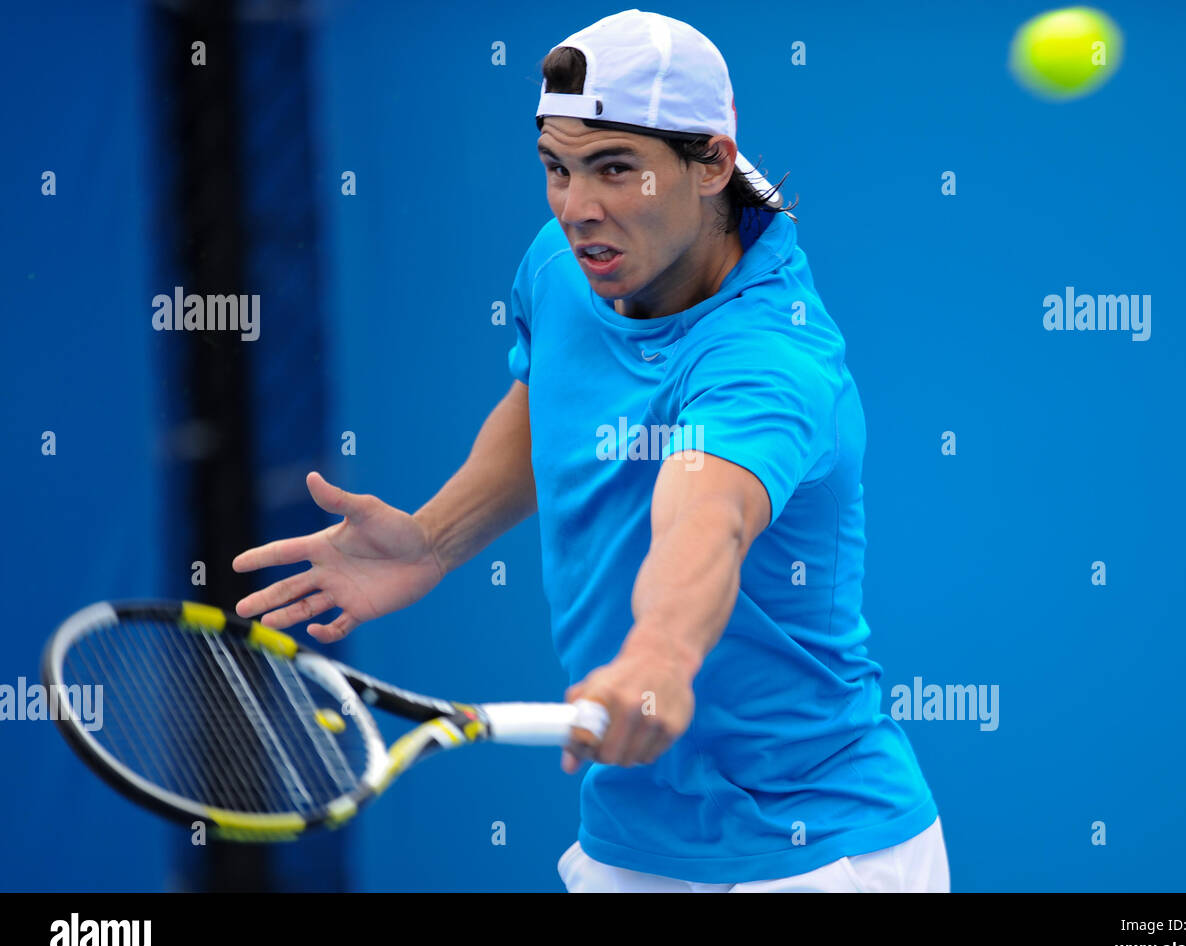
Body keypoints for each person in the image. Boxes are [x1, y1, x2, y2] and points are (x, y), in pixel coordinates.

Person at [233, 9, 948, 893]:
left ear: (713, 163)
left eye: (616, 169)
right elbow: (549, 401)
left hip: (820, 851)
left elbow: (707, 519)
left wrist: (657, 656)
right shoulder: (566, 267)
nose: (578, 209)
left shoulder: (768, 361)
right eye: (557, 170)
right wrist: (433, 537)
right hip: (630, 841)